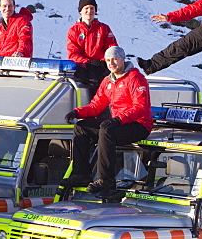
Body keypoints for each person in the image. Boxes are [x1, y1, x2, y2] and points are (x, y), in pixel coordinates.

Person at [65, 46, 153, 194]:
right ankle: (82, 174)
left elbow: (141, 107)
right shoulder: (108, 81)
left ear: (122, 59)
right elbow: (96, 106)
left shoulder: (135, 78)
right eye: (107, 60)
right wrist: (77, 112)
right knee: (81, 127)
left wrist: (118, 120)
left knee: (107, 130)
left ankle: (106, 180)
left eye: (114, 59)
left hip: (139, 125)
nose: (111, 63)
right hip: (119, 123)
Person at [67, 0, 118, 92]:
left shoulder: (104, 28)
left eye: (92, 8)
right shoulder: (74, 31)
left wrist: (105, 62)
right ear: (80, 11)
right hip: (82, 68)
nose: (89, 11)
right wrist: (88, 63)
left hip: (102, 68)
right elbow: (73, 53)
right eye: (86, 8)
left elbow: (112, 48)